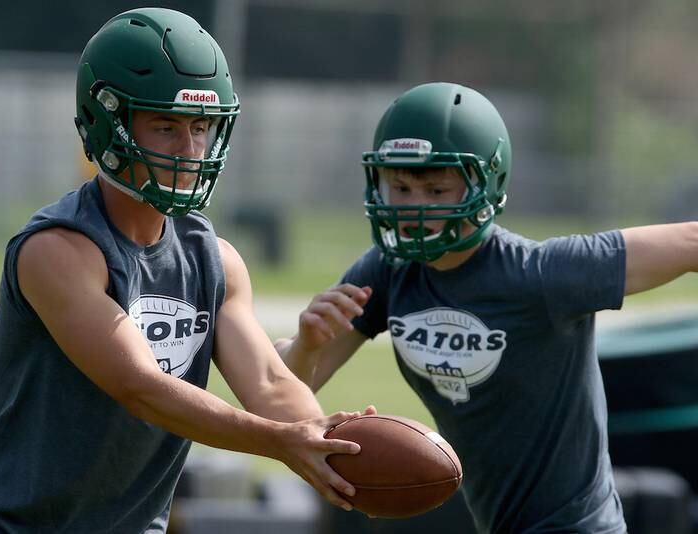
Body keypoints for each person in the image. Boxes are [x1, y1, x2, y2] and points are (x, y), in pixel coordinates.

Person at [0, 8, 370, 533]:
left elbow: (271, 382)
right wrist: (277, 442)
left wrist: (330, 440)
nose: (189, 149)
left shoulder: (215, 258)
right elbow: (141, 387)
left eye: (200, 127)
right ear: (105, 122)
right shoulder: (58, 249)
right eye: (165, 126)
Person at [278, 82, 698, 533]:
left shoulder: (541, 275)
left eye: (437, 190)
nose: (415, 208)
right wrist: (307, 344)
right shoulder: (389, 269)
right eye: (400, 186)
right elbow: (278, 391)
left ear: (487, 183)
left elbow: (691, 241)